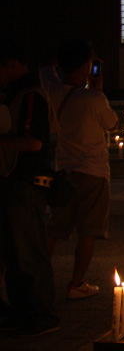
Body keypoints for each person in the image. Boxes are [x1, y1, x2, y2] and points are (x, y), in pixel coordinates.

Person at [41, 41, 118, 300]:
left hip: (63, 170)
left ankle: (38, 279)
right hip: (93, 172)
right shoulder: (93, 99)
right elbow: (113, 124)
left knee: (54, 229)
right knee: (89, 230)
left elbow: (45, 70)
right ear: (86, 66)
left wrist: (58, 60)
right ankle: (76, 283)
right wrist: (99, 89)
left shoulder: (52, 89)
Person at [0, 43, 59, 335]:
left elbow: (34, 142)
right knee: (13, 252)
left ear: (12, 64)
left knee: (28, 251)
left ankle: (40, 313)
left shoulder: (30, 95)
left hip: (24, 183)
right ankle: (22, 311)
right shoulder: (17, 94)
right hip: (12, 182)